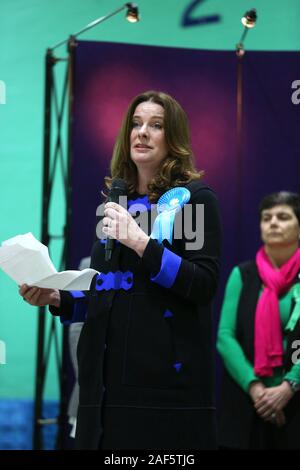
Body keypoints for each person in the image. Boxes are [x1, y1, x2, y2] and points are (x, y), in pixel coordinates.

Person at [19, 90, 222, 450]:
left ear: (173, 138)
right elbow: (109, 291)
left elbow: (203, 284)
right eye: (136, 124)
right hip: (101, 389)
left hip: (161, 392)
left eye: (156, 126)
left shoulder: (195, 199)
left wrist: (142, 243)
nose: (141, 132)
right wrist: (59, 298)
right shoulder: (116, 203)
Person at [217, 191, 300, 450]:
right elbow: (225, 336)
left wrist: (289, 386)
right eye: (267, 218)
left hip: (295, 402)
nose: (273, 222)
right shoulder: (242, 274)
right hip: (246, 401)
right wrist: (256, 388)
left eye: (283, 217)